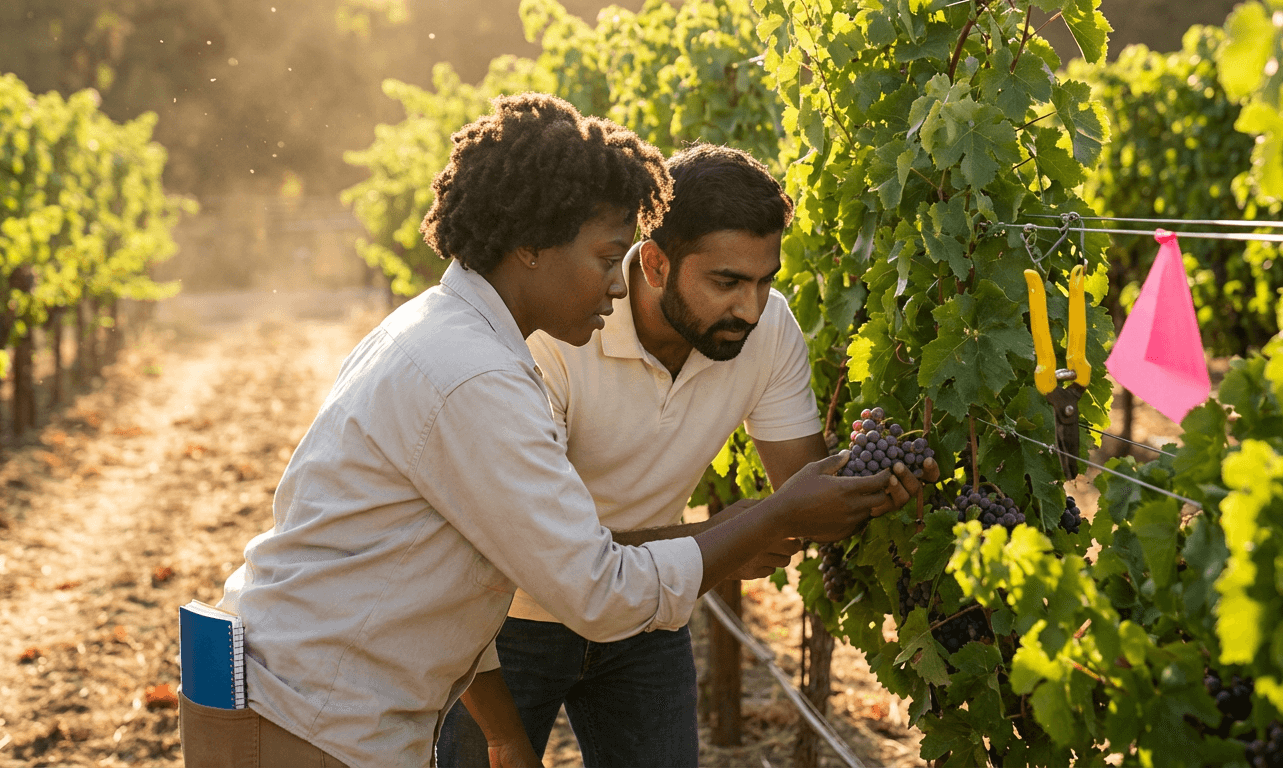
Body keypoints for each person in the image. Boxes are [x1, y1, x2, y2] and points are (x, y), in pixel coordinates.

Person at [177, 94, 919, 768]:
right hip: (304, 722)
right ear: (530, 243)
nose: (617, 282)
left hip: (307, 706)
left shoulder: (452, 337)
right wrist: (773, 516)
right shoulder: (477, 377)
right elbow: (597, 590)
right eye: (605, 257)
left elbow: (467, 566)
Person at [437, 144, 939, 767]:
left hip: (650, 615)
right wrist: (737, 531)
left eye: (765, 281)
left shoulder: (768, 330)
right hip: (508, 620)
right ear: (653, 263)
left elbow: (800, 494)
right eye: (726, 282)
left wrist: (866, 481)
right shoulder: (556, 335)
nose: (751, 309)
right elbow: (553, 560)